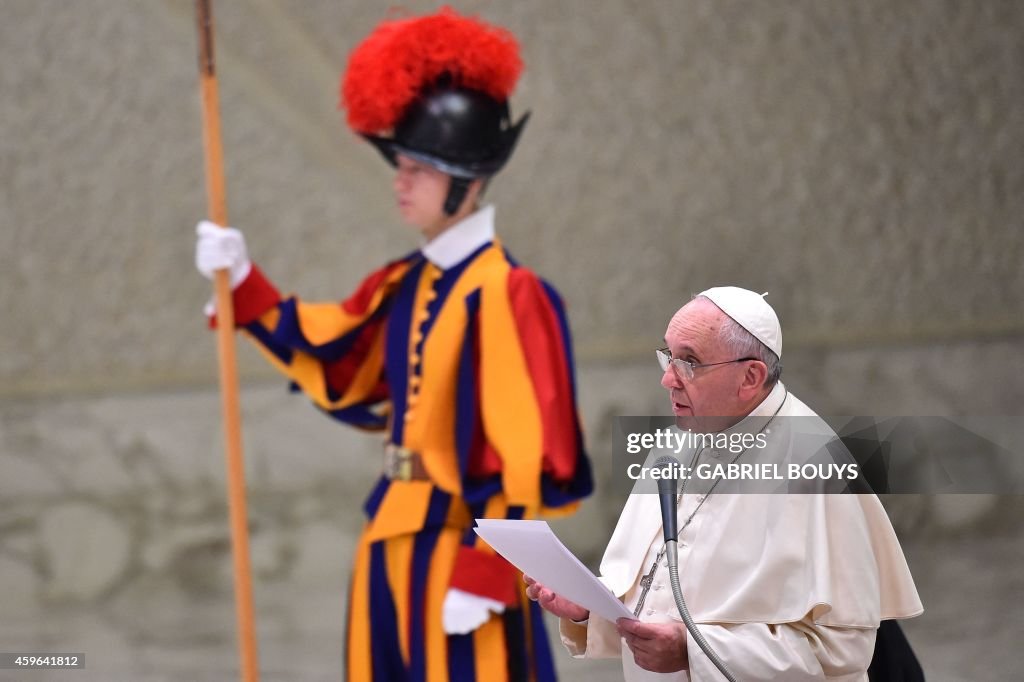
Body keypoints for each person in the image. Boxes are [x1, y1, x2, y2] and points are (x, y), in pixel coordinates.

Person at [194, 8, 593, 681]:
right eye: (401, 164)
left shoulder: (507, 292)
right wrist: (244, 283)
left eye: (420, 168)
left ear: (467, 180)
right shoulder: (407, 283)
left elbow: (522, 450)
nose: (400, 180)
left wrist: (490, 569)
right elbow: (344, 360)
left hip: (460, 551)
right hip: (390, 542)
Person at [526, 287, 922, 680]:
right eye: (668, 355)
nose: (667, 379)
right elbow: (658, 596)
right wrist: (588, 608)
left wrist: (691, 651)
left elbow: (842, 649)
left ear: (751, 376)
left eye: (689, 362)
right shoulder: (676, 441)